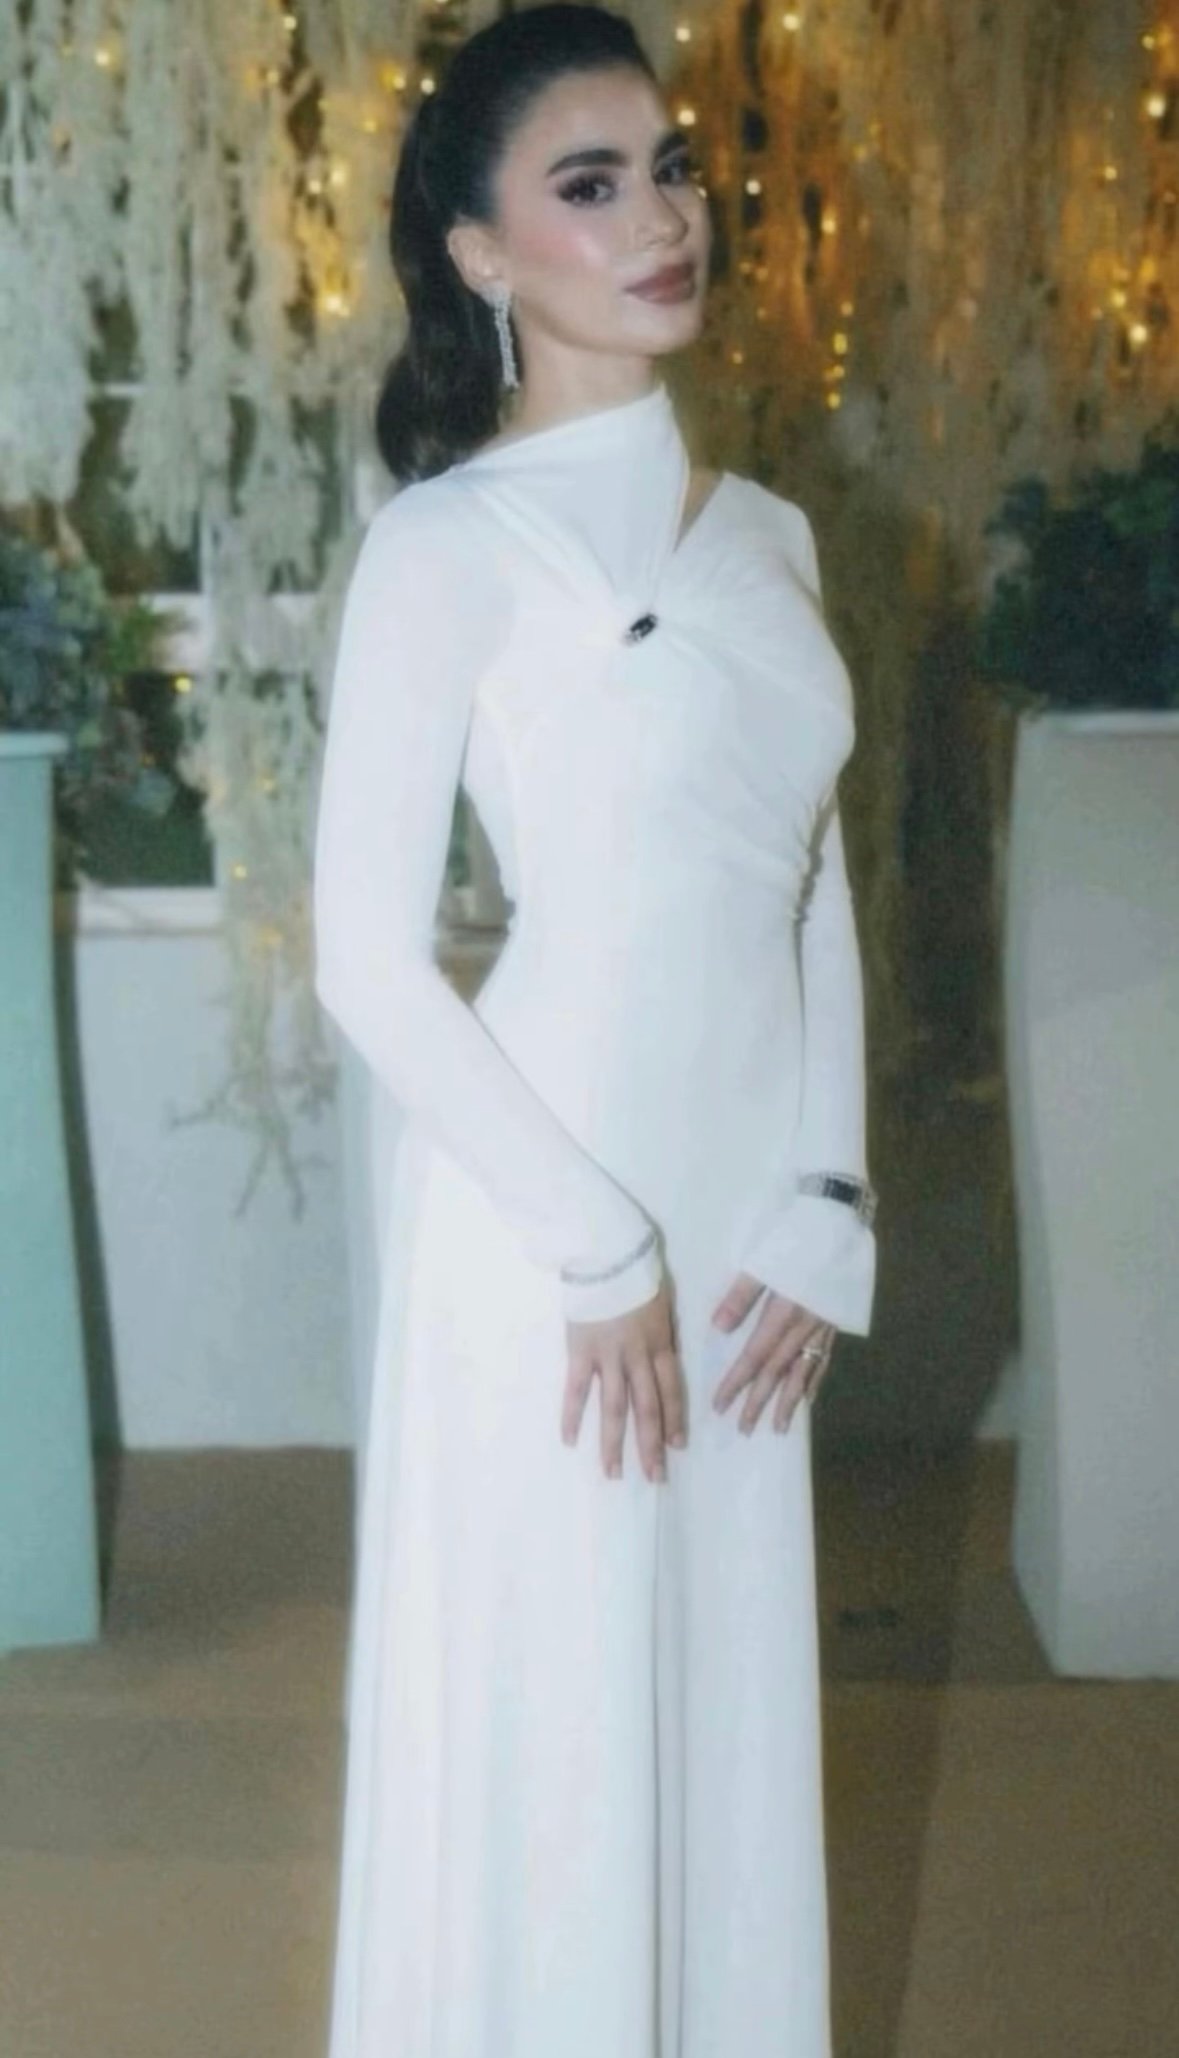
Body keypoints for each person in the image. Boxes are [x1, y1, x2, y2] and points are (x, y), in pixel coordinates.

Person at [311, 5, 878, 2053]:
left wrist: (829, 1195)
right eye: (590, 184)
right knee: (557, 1742)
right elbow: (365, 958)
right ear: (480, 254)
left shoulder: (771, 538)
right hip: (552, 1223)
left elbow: (806, 884)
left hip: (745, 1226)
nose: (661, 219)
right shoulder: (443, 546)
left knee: (718, 1722)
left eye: (673, 172)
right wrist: (594, 1242)